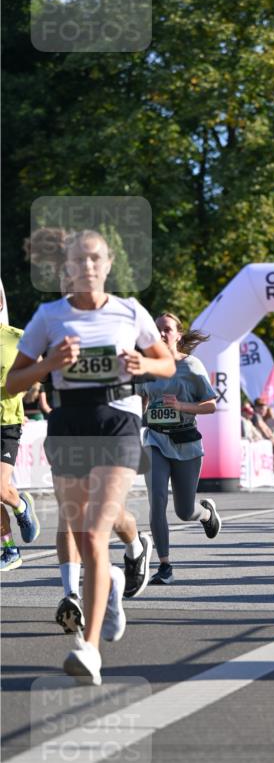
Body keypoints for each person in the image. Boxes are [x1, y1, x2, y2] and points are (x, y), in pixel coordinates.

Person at [7, 229, 175, 683]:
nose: (88, 267)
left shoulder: (129, 311)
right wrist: (48, 364)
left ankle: (89, 649)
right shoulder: (49, 316)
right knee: (80, 531)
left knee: (96, 534)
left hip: (117, 422)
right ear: (66, 268)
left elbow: (167, 363)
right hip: (69, 424)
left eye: (95, 260)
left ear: (108, 264)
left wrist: (145, 365)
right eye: (79, 260)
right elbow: (12, 383)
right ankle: (113, 585)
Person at [140, 312, 220, 585]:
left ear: (178, 335)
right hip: (155, 441)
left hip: (186, 443)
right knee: (157, 501)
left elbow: (210, 404)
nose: (161, 334)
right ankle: (164, 565)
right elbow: (141, 400)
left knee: (184, 511)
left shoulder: (192, 366)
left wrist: (182, 406)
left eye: (166, 329)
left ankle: (207, 513)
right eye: (157, 329)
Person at [1, 298, 40, 571]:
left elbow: (37, 374)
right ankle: (9, 549)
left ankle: (21, 505)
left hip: (6, 424)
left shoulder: (17, 338)